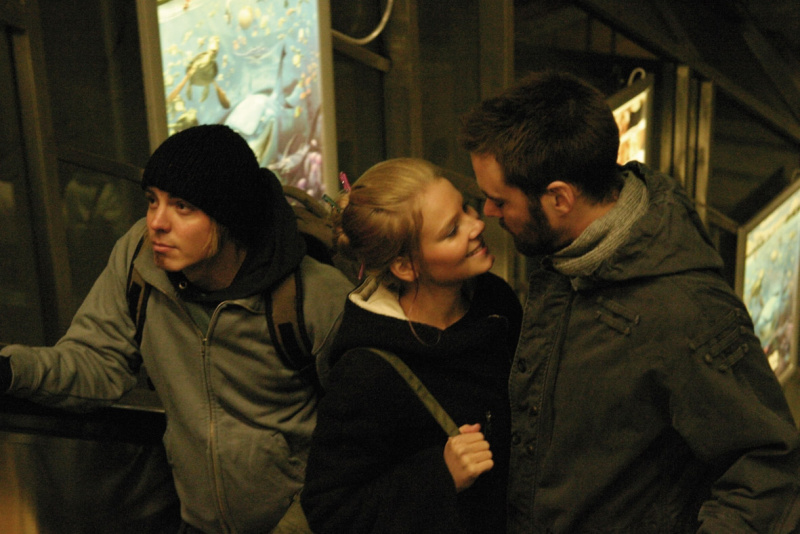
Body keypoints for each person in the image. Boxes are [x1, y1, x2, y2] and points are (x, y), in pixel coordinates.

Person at [458, 70, 800, 533]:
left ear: (559, 198)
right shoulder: (569, 258)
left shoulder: (686, 312)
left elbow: (769, 469)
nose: (488, 213)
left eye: (499, 200)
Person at [0, 124, 353, 534]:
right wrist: (11, 369)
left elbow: (357, 441)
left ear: (229, 217)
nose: (156, 222)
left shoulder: (313, 296)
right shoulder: (139, 261)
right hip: (196, 523)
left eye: (182, 206)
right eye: (152, 200)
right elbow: (97, 361)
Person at [300, 157, 523, 533]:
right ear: (405, 266)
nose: (477, 225)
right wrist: (440, 475)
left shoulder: (494, 300)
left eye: (465, 208)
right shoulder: (367, 370)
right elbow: (331, 510)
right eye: (451, 231)